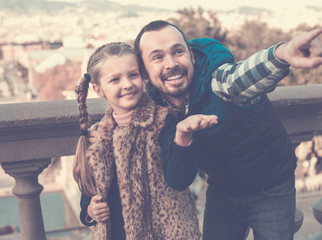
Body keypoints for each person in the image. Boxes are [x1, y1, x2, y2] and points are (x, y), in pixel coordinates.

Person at [133, 20, 322, 240]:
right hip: (222, 190)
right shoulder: (156, 111)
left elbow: (241, 78)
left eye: (178, 52)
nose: (171, 63)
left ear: (191, 55)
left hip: (272, 188)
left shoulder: (217, 80)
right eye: (157, 57)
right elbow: (178, 178)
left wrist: (282, 53)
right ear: (144, 71)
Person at [72, 42, 217, 240]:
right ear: (99, 90)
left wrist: (182, 137)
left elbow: (180, 179)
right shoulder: (98, 136)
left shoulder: (163, 122)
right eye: (115, 79)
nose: (127, 84)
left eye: (133, 75)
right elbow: (88, 191)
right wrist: (89, 211)